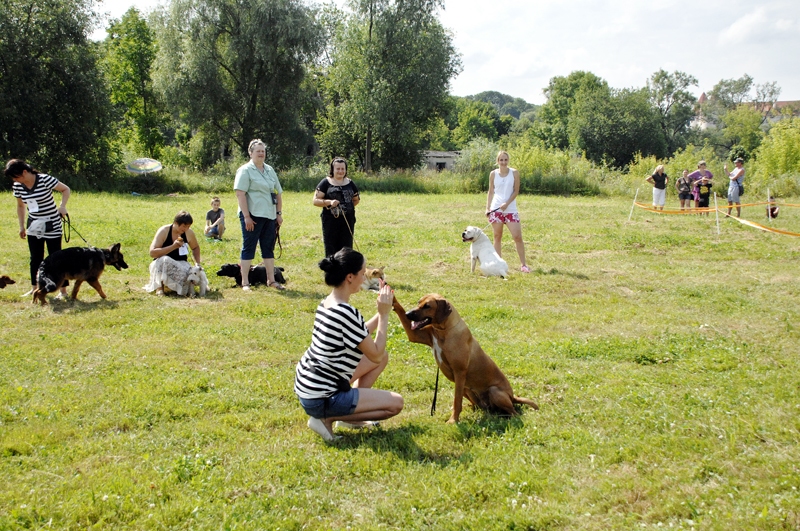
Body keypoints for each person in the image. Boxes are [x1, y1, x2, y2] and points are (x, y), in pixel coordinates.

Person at [294, 248, 404, 442]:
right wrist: (384, 315)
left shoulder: (327, 303)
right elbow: (375, 353)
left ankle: (349, 418)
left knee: (381, 359)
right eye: (362, 273)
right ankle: (327, 418)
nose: (364, 278)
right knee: (396, 404)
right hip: (322, 397)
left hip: (311, 386)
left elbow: (359, 334)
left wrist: (383, 310)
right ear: (350, 277)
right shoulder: (346, 313)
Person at [6, 159, 70, 298]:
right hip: (34, 224)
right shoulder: (18, 186)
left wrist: (62, 206)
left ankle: (63, 291)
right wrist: (22, 226)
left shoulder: (45, 179)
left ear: (25, 172)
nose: (15, 180)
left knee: (56, 257)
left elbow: (65, 189)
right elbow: (20, 206)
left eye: (16, 176)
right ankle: (35, 288)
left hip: (52, 224)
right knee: (35, 258)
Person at [234, 139, 285, 291]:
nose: (261, 154)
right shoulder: (245, 170)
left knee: (268, 248)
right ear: (251, 153)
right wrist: (247, 217)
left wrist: (278, 213)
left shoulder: (269, 170)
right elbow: (240, 194)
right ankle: (245, 282)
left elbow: (278, 192)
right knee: (249, 247)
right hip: (252, 215)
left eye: (263, 151)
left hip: (269, 215)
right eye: (258, 151)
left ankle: (271, 280)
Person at [485, 151, 530, 273]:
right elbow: (491, 191)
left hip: (510, 209)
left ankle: (523, 265)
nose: (503, 162)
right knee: (497, 236)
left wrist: (507, 203)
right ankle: (498, 264)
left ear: (508, 160)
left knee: (517, 236)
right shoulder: (493, 174)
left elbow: (516, 191)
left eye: (505, 160)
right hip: (496, 209)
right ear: (498, 161)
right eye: (501, 160)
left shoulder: (514, 173)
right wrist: (487, 208)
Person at [144, 210, 202, 296]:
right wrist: (173, 247)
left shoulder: (189, 233)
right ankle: (159, 287)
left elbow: (195, 247)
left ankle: (179, 288)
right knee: (165, 260)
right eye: (184, 226)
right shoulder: (164, 231)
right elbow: (152, 253)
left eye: (188, 226)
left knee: (191, 274)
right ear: (176, 223)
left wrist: (197, 263)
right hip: (161, 262)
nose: (185, 229)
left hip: (181, 262)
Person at [312, 157, 360, 257]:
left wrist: (346, 208)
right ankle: (332, 267)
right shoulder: (325, 182)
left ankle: (345, 266)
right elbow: (315, 201)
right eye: (338, 169)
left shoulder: (350, 183)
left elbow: (356, 200)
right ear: (332, 170)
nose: (340, 171)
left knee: (347, 248)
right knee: (331, 247)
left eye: (343, 169)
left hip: (348, 220)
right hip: (330, 221)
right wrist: (329, 202)